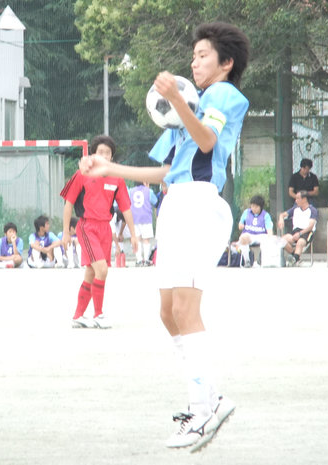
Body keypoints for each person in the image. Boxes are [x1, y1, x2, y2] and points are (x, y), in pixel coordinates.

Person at [78, 22, 248, 449]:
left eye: (203, 56)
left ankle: (202, 412)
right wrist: (108, 169)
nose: (195, 62)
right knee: (168, 312)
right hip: (175, 204)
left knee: (186, 309)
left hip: (199, 204)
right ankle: (212, 399)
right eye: (193, 56)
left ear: (226, 63)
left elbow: (207, 142)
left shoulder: (222, 95)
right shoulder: (186, 107)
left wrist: (176, 99)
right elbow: (166, 172)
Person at [61, 135, 138, 329]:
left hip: (105, 228)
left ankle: (78, 316)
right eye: (100, 152)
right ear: (93, 154)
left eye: (107, 152)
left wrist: (133, 234)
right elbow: (68, 203)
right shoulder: (82, 174)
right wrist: (65, 233)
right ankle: (98, 314)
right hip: (87, 227)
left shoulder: (117, 178)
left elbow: (126, 208)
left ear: (112, 156)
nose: (104, 155)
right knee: (102, 270)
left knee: (91, 272)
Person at [277, 191, 318, 266]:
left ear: (304, 199)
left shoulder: (313, 210)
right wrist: (281, 219)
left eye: (298, 198)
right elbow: (282, 214)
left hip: (307, 232)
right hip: (295, 231)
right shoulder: (295, 209)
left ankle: (294, 259)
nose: (296, 201)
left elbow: (311, 226)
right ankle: (295, 257)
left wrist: (300, 234)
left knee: (300, 242)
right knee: (282, 240)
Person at [234, 195, 274, 267]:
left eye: (256, 207)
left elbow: (269, 231)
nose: (254, 208)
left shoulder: (266, 215)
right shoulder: (246, 212)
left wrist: (270, 238)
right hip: (249, 235)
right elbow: (240, 225)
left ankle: (260, 260)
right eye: (252, 206)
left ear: (261, 207)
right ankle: (247, 261)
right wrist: (241, 225)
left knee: (267, 239)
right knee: (243, 237)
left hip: (261, 235)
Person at [127, 182, 158, 266]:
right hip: (146, 218)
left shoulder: (131, 191)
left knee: (137, 239)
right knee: (146, 240)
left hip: (134, 218)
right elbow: (155, 201)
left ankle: (139, 260)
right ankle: (146, 260)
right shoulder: (149, 191)